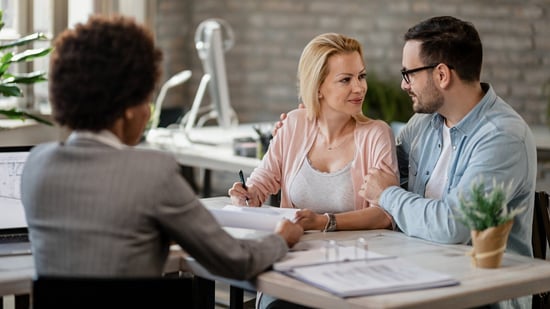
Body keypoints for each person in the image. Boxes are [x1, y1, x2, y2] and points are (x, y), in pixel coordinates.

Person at [21, 15, 303, 280]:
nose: (148, 112)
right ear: (129, 110)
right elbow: (235, 260)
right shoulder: (151, 172)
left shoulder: (36, 164)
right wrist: (281, 239)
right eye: (146, 99)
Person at [228, 32, 398, 233]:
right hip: (295, 249)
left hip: (355, 253)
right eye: (345, 80)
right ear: (318, 87)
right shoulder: (293, 123)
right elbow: (263, 178)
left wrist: (324, 222)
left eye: (361, 76)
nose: (359, 87)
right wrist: (249, 194)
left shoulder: (377, 135)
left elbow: (385, 213)